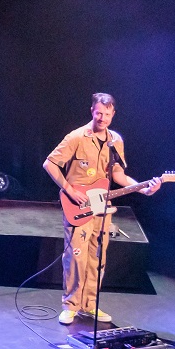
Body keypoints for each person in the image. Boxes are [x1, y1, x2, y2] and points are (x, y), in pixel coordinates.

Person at [42, 92, 162, 327]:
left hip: (102, 205)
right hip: (78, 203)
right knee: (76, 256)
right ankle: (71, 305)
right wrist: (69, 189)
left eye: (107, 114)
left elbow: (118, 174)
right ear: (92, 111)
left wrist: (143, 188)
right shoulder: (76, 137)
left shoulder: (115, 140)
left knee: (97, 256)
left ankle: (89, 304)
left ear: (113, 114)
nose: (102, 118)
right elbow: (50, 164)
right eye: (98, 113)